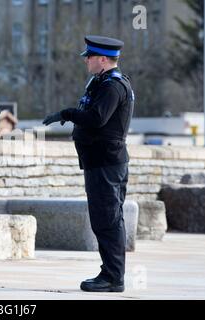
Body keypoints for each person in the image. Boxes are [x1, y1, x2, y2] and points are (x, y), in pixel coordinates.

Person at [43, 36, 135, 293]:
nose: (86, 60)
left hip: (106, 163)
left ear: (103, 59)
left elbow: (97, 118)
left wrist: (67, 113)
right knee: (103, 219)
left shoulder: (113, 86)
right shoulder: (100, 82)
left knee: (108, 220)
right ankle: (109, 272)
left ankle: (114, 277)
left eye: (90, 56)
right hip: (98, 163)